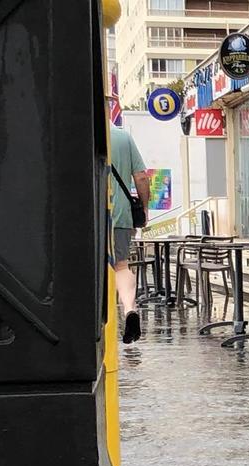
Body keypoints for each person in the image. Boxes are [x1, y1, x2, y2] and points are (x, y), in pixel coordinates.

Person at [108, 121, 149, 344]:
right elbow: (141, 177)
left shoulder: (78, 133)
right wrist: (143, 207)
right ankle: (129, 309)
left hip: (86, 217)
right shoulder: (123, 138)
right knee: (121, 265)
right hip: (120, 214)